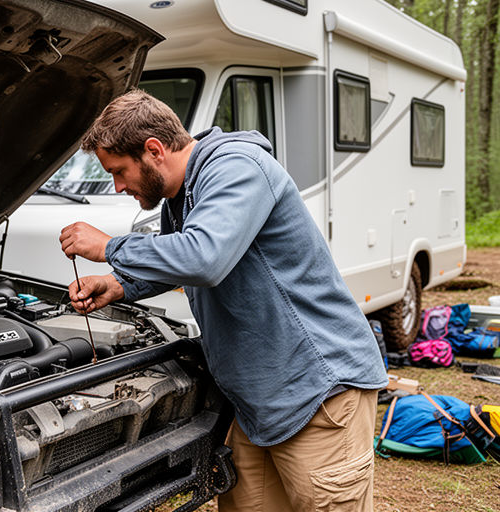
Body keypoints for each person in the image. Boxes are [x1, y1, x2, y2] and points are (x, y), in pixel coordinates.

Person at [59, 89, 388, 511]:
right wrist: (120, 285)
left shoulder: (236, 167)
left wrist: (109, 247)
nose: (118, 185)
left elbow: (204, 257)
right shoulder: (181, 196)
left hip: (317, 394)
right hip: (257, 403)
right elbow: (181, 257)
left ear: (154, 150)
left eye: (119, 171)